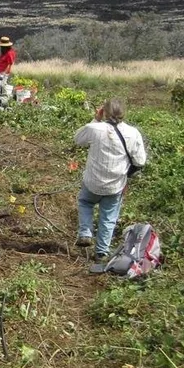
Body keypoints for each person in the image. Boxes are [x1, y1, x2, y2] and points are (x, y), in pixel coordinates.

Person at [74, 99, 147, 261]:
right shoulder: (133, 133)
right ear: (124, 113)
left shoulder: (94, 128)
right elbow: (140, 161)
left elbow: (78, 139)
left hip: (92, 181)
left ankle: (85, 232)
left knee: (85, 202)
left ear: (104, 112)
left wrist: (96, 118)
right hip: (115, 185)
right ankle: (101, 252)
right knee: (108, 217)